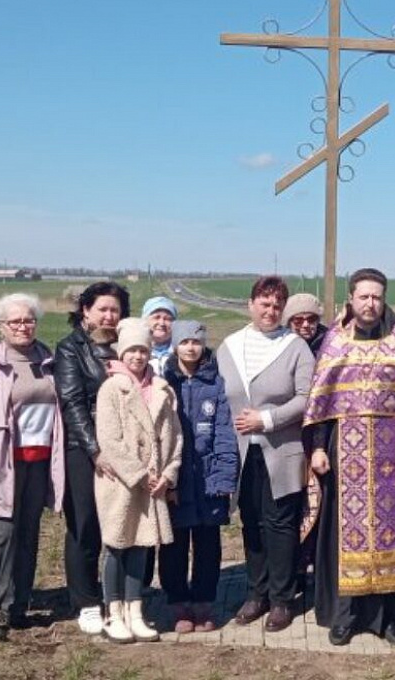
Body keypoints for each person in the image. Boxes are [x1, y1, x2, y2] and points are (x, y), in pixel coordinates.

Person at [305, 268, 395, 647]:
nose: (370, 303)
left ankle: (391, 619)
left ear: (383, 300)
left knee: (393, 534)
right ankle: (346, 615)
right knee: (345, 533)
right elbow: (322, 403)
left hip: (390, 453)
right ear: (350, 299)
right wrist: (318, 446)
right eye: (364, 296)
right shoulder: (335, 342)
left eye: (377, 297)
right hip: (344, 450)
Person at [0, 293, 65, 642]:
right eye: (15, 322)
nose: (23, 326)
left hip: (39, 463)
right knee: (0, 537)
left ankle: (16, 606)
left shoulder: (47, 358)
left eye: (28, 320)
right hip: (3, 464)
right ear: (2, 327)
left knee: (29, 535)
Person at [217, 275, 315, 633]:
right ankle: (255, 593)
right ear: (251, 304)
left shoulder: (295, 347)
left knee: (281, 525)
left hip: (281, 452)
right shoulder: (229, 346)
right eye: (265, 303)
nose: (271, 310)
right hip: (241, 453)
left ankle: (282, 599)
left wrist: (267, 419)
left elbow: (307, 398)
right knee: (252, 523)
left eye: (277, 305)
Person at [93, 318, 183, 644]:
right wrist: (140, 475)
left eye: (143, 350)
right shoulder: (111, 389)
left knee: (141, 548)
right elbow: (109, 440)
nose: (137, 357)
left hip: (153, 484)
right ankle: (113, 611)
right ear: (121, 351)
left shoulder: (162, 390)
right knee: (117, 545)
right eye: (131, 350)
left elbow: (175, 438)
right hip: (122, 482)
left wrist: (168, 474)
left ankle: (135, 609)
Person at [55, 280, 130, 635]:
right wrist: (95, 450)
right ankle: (85, 601)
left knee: (121, 523)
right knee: (85, 525)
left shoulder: (128, 347)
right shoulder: (70, 349)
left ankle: (121, 596)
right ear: (85, 311)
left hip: (125, 451)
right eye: (102, 308)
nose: (109, 315)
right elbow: (72, 402)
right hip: (83, 450)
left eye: (114, 309)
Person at [162, 319, 238, 634]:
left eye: (196, 342)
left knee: (208, 545)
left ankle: (205, 602)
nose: (191, 348)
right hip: (177, 479)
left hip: (209, 479)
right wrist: (168, 480)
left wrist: (223, 479)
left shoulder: (216, 384)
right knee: (174, 545)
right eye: (185, 342)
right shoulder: (165, 384)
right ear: (175, 346)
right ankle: (178, 602)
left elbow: (224, 432)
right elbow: (160, 435)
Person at [142, 296, 179, 377]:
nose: (162, 323)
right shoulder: (135, 352)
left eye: (168, 319)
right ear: (145, 320)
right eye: (156, 317)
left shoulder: (182, 353)